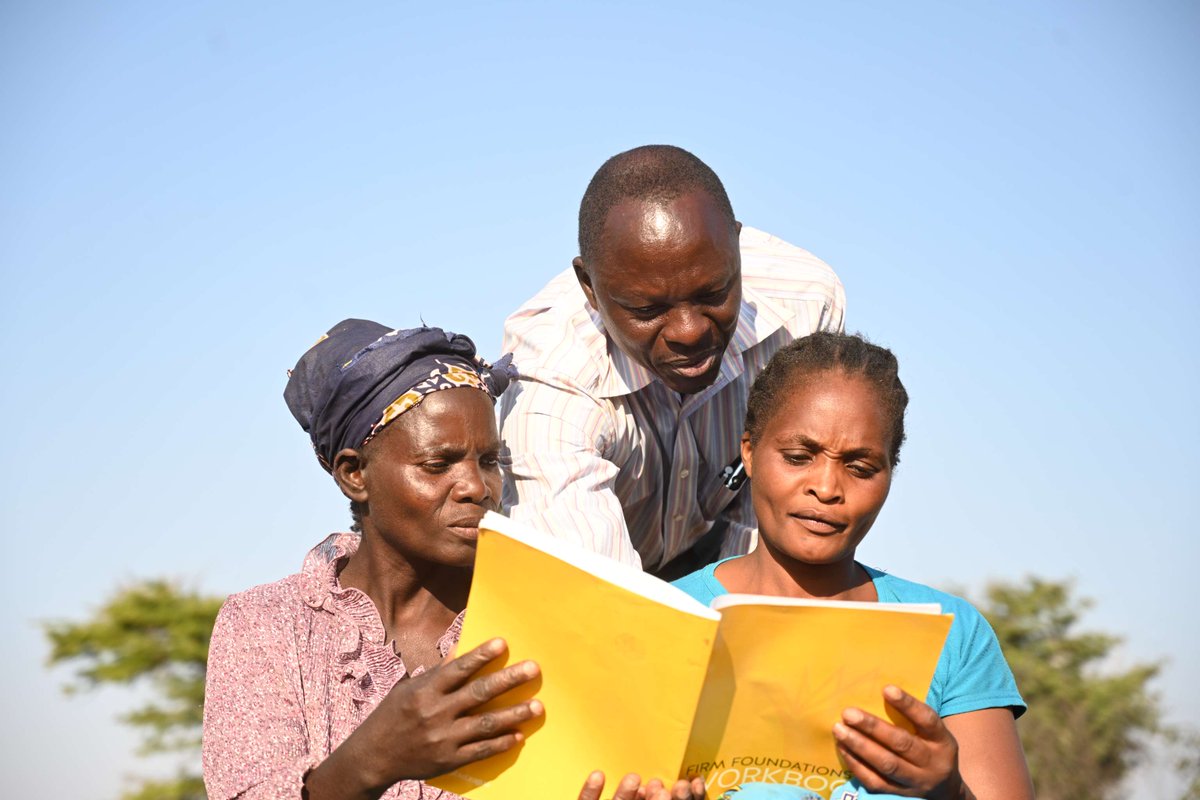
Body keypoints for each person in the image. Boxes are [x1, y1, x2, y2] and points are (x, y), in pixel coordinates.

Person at [202, 320, 703, 800]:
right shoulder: (265, 626)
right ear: (354, 474)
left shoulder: (543, 621)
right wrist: (371, 759)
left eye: (490, 462)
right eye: (437, 464)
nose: (476, 488)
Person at [672, 332, 1034, 800]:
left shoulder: (953, 634)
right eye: (799, 457)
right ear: (749, 452)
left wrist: (950, 791)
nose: (826, 487)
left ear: (889, 475)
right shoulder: (668, 617)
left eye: (861, 468)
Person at [500, 145, 845, 578]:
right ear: (589, 285)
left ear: (738, 248)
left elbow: (784, 508)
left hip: (714, 562)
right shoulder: (550, 379)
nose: (690, 332)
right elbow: (594, 595)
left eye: (713, 294)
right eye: (647, 311)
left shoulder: (804, 305)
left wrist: (736, 602)